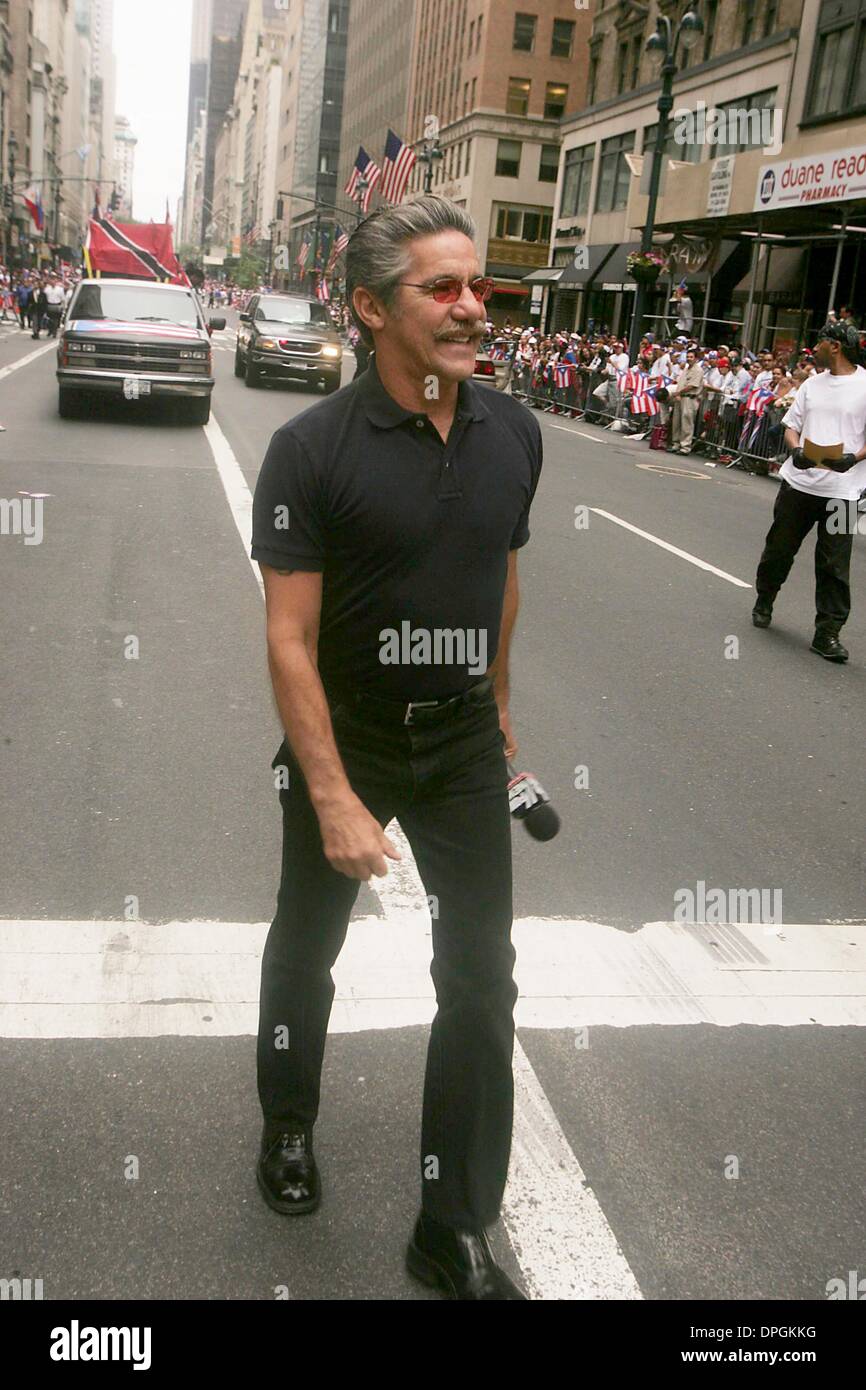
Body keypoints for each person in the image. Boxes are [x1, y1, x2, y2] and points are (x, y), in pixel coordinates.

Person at [250, 194, 541, 1300]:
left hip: (461, 740)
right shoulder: (309, 450)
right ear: (371, 308)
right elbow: (288, 640)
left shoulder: (513, 431)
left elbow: (501, 581)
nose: (471, 307)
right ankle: (287, 1122)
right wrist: (328, 791)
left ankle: (450, 1224)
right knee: (304, 943)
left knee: (480, 979)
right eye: (441, 289)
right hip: (351, 732)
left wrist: (502, 712)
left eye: (477, 286)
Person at [752, 320, 866, 661]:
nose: (813, 348)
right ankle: (765, 598)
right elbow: (791, 425)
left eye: (819, 342)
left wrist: (853, 458)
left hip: (843, 492)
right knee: (779, 550)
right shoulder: (812, 385)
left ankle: (827, 634)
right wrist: (796, 450)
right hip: (799, 486)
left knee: (834, 565)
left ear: (836, 346)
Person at [669, 348, 704, 453]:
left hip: (690, 398)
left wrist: (679, 392)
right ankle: (676, 444)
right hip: (681, 397)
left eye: (691, 357)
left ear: (696, 359)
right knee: (677, 422)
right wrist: (678, 394)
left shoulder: (698, 370)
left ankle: (685, 447)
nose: (689, 359)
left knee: (686, 423)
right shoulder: (686, 368)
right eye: (688, 357)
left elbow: (692, 386)